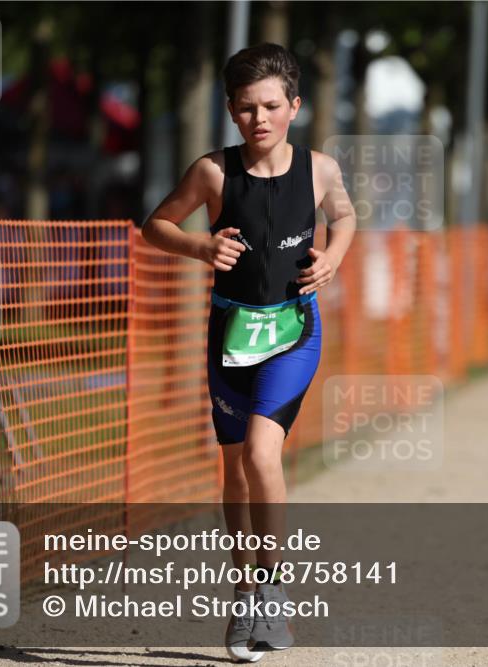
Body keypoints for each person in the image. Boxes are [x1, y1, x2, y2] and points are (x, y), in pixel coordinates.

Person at [140, 43, 356, 662]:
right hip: (230, 334)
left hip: (292, 331)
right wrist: (201, 249)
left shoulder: (320, 169)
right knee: (234, 469)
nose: (258, 119)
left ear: (295, 105)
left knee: (264, 452)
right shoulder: (212, 172)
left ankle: (273, 591)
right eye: (244, 109)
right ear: (231, 111)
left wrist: (334, 257)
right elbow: (158, 224)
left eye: (269, 106)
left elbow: (344, 217)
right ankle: (245, 597)